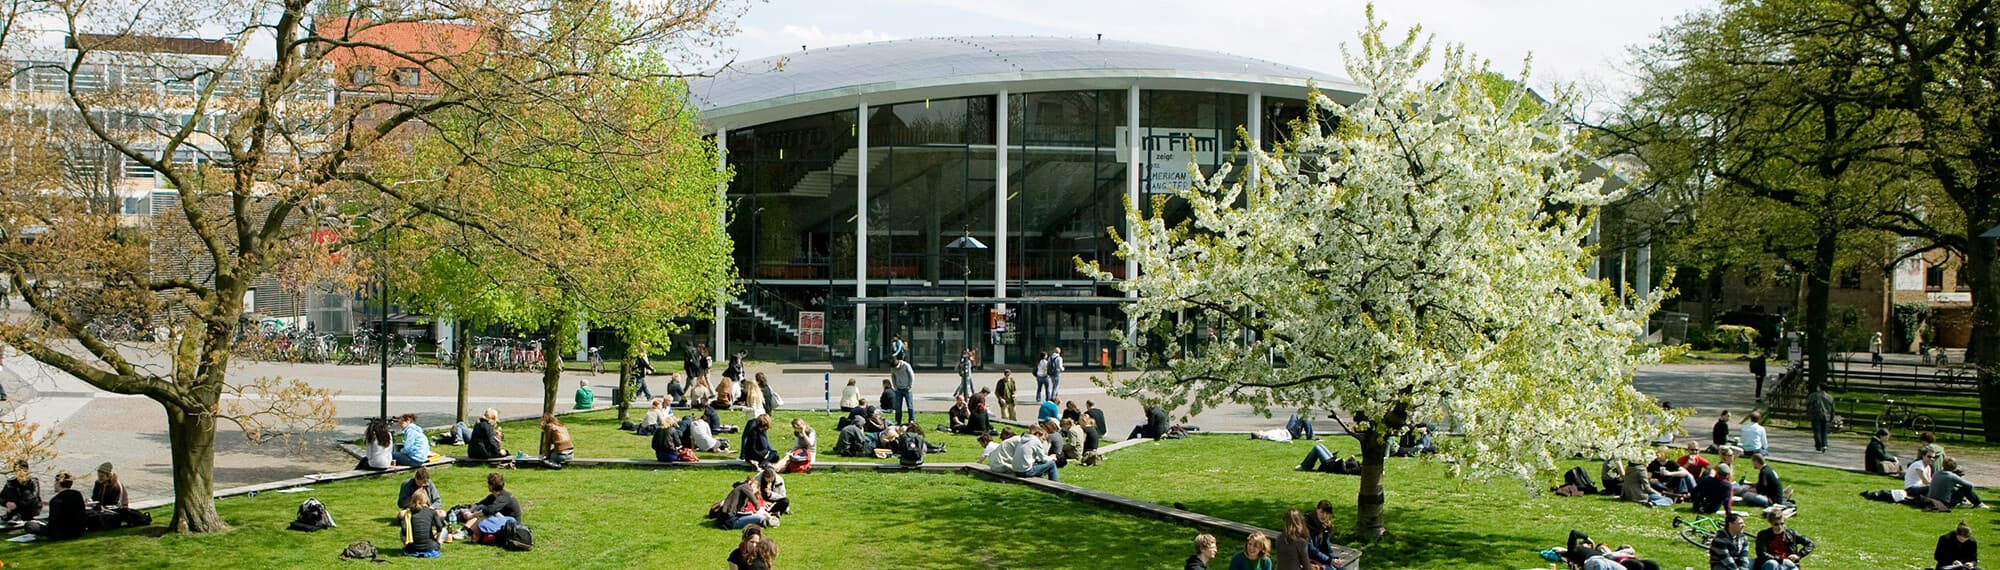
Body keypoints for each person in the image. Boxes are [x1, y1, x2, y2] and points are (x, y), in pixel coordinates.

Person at [26, 472, 82, 540]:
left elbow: (53, 523)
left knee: (29, 525)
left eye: (55, 482)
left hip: (60, 533)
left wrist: (40, 523)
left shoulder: (56, 500)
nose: (54, 485)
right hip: (77, 531)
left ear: (58, 483)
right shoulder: (77, 495)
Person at [989, 427, 1059, 481]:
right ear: (1038, 434)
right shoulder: (1035, 441)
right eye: (1043, 439)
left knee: (1036, 465)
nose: (1042, 442)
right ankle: (1055, 484)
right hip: (1003, 466)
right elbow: (1043, 459)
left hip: (1011, 468)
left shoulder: (1022, 439)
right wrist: (1051, 457)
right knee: (1051, 464)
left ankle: (1039, 480)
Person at [400, 490, 445, 558]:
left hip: (412, 548)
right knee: (445, 530)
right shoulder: (431, 512)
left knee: (402, 530)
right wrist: (438, 541)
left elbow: (404, 529)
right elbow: (439, 527)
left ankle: (406, 545)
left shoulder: (409, 513)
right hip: (430, 547)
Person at [1805, 386, 1834, 453]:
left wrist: (1808, 414)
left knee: (1817, 431)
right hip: (1826, 416)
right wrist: (1831, 417)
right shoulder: (1830, 397)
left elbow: (1808, 404)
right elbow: (1832, 408)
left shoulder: (1813, 395)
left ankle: (1819, 445)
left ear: (1819, 388)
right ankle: (1824, 444)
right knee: (1824, 431)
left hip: (1816, 415)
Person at [890, 353, 916, 425]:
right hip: (898, 389)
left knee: (910, 405)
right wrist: (895, 386)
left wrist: (910, 385)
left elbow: (912, 375)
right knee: (898, 406)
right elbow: (893, 376)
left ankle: (911, 420)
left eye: (897, 367)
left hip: (907, 388)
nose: (896, 369)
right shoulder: (893, 368)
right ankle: (898, 420)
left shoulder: (906, 365)